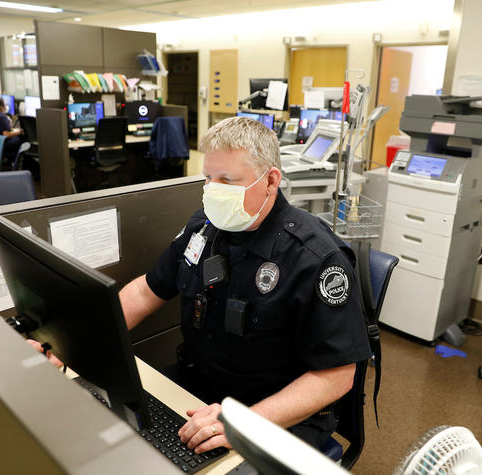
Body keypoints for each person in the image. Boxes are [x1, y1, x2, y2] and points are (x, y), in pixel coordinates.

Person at [119, 117, 372, 454]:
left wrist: (244, 424)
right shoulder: (203, 229)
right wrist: (79, 343)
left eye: (228, 180)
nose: (213, 190)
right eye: (209, 178)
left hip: (276, 410)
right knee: (119, 430)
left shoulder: (314, 258)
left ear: (270, 181)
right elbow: (143, 292)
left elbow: (337, 376)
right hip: (202, 386)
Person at [0, 97, 22, 165]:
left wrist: (12, 129)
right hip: (2, 143)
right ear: (1, 107)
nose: (6, 106)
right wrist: (19, 132)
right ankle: (17, 162)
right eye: (5, 104)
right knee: (20, 139)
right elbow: (6, 134)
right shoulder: (2, 117)